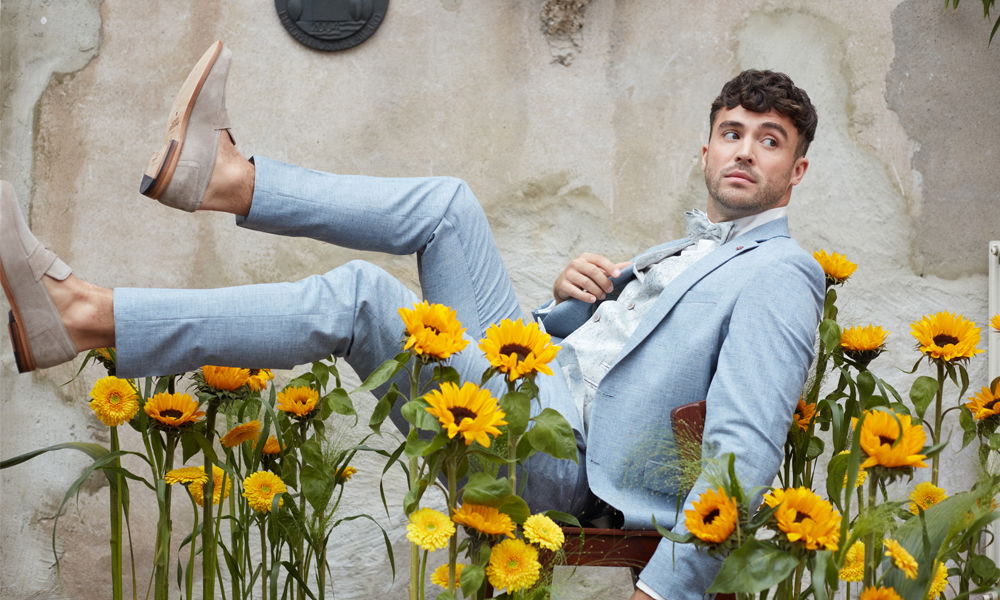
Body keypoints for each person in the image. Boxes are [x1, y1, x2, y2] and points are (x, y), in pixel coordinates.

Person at [0, 41, 823, 600]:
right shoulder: (684, 250)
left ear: (797, 171)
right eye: (731, 133)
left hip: (564, 464)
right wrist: (572, 306)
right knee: (447, 205)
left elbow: (743, 446)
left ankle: (82, 316)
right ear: (706, 149)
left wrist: (667, 585)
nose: (745, 150)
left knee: (362, 297)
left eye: (770, 140)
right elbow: (607, 354)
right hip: (539, 374)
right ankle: (220, 177)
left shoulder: (783, 273)